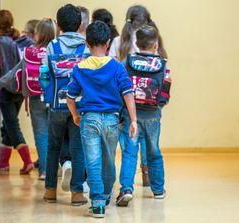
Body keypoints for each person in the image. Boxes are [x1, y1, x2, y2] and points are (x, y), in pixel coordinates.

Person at [67, 21, 138, 218]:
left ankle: (97, 203)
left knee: (92, 161)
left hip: (88, 119)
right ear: (108, 43)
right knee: (108, 160)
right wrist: (133, 119)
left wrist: (75, 115)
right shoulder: (116, 67)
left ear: (87, 44)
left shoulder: (79, 68)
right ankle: (106, 194)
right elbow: (128, 93)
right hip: (111, 120)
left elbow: (70, 98)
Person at [0, 18, 58, 180]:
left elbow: (14, 72)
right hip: (55, 97)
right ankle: (58, 167)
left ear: (37, 34)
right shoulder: (57, 51)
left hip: (35, 97)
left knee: (41, 134)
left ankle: (44, 171)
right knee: (56, 134)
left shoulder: (30, 52)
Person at [116, 24, 170, 207]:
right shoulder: (163, 64)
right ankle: (158, 190)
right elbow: (166, 91)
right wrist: (158, 106)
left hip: (131, 116)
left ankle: (126, 189)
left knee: (129, 153)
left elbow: (120, 89)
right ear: (155, 44)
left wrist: (122, 115)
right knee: (154, 151)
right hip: (153, 115)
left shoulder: (127, 61)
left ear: (137, 44)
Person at [43, 4, 88, 206]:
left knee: (53, 147)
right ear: (80, 24)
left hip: (56, 105)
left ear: (58, 25)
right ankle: (77, 193)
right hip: (78, 104)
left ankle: (50, 191)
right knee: (78, 148)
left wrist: (48, 95)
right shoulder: (86, 46)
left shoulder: (52, 46)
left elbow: (44, 75)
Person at [108, 5, 151, 186]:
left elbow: (110, 67)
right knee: (148, 138)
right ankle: (146, 173)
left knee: (128, 139)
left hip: (123, 97)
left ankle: (127, 182)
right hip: (147, 97)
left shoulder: (118, 41)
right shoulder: (151, 40)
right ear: (147, 21)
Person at [0, 9, 34, 175]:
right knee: (9, 124)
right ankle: (3, 161)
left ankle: (28, 161)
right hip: (20, 90)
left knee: (12, 125)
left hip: (6, 90)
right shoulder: (19, 41)